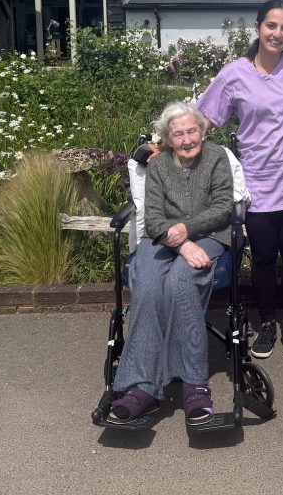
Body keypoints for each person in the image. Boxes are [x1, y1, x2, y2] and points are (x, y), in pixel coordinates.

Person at [197, 0, 283, 361]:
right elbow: (206, 119)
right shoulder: (234, 74)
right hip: (256, 184)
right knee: (263, 257)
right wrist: (166, 146)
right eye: (271, 26)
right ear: (258, 27)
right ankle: (266, 323)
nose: (278, 34)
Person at [107, 101, 233, 427]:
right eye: (179, 134)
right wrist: (181, 243)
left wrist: (188, 232)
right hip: (161, 239)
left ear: (202, 132)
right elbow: (153, 220)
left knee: (181, 281)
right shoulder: (160, 166)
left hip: (210, 235)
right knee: (147, 284)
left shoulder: (217, 156)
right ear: (168, 137)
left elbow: (223, 208)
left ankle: (194, 384)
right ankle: (142, 386)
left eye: (192, 131)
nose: (187, 139)